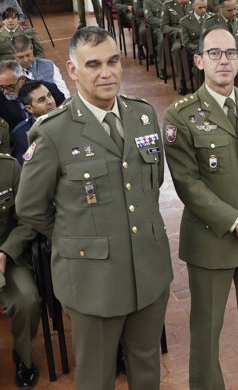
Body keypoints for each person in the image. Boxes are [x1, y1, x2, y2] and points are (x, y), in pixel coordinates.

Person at [15, 26, 173, 390]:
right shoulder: (53, 132)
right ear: (72, 70)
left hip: (148, 269)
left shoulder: (143, 115)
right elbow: (30, 208)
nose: (107, 73)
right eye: (93, 64)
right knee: (96, 377)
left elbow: (154, 183)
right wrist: (75, 236)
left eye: (113, 61)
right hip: (93, 279)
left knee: (147, 367)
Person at [163, 27, 238, 389]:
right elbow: (187, 184)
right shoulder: (180, 116)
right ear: (199, 61)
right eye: (214, 54)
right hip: (211, 241)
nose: (224, 61)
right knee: (207, 329)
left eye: (230, 53)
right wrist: (235, 221)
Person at [0, 154, 41, 389]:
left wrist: (6, 251)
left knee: (27, 300)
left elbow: (26, 220)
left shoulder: (8, 167)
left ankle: (23, 357)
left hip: (8, 254)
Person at [11, 80, 56, 164]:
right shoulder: (21, 134)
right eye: (42, 100)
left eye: (49, 95)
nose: (50, 101)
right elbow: (26, 168)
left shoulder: (70, 118)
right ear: (29, 109)